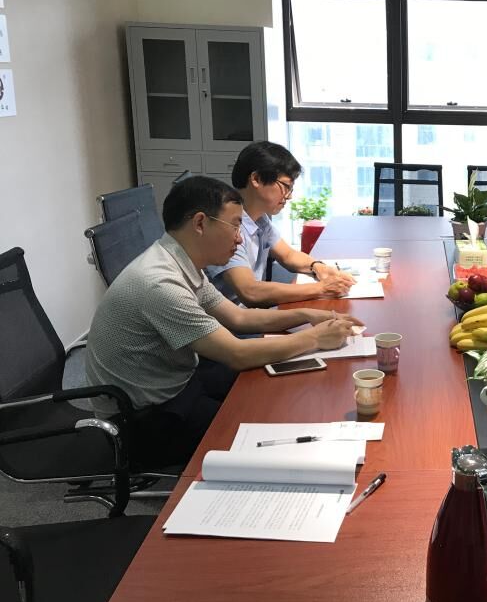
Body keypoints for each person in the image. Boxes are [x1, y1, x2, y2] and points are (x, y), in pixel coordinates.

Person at [85, 176, 362, 467]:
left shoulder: (178, 260)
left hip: (176, 381)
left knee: (271, 388)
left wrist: (306, 315)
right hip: (144, 420)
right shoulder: (159, 283)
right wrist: (315, 338)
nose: (240, 238)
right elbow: (236, 354)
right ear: (200, 223)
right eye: (235, 226)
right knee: (261, 427)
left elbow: (238, 317)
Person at [206, 141, 354, 307]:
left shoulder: (260, 218)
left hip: (252, 313)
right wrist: (322, 288)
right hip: (233, 319)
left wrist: (319, 267)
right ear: (256, 179)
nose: (289, 196)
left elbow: (288, 255)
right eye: (286, 186)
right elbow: (249, 291)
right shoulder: (225, 226)